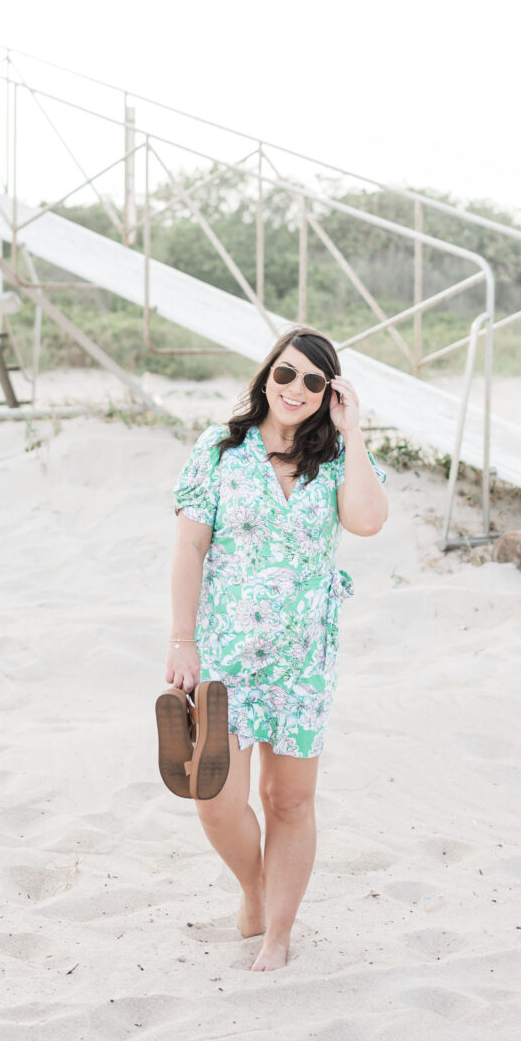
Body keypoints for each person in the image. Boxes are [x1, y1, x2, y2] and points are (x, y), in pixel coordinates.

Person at [165, 328, 389, 971]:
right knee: (215, 799)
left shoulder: (338, 456)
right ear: (267, 375)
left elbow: (368, 521)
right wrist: (183, 640)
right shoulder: (221, 448)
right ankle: (254, 889)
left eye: (315, 382)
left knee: (288, 801)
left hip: (302, 658)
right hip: (226, 653)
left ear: (331, 393)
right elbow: (189, 549)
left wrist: (355, 435)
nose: (297, 390)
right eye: (287, 375)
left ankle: (278, 934)